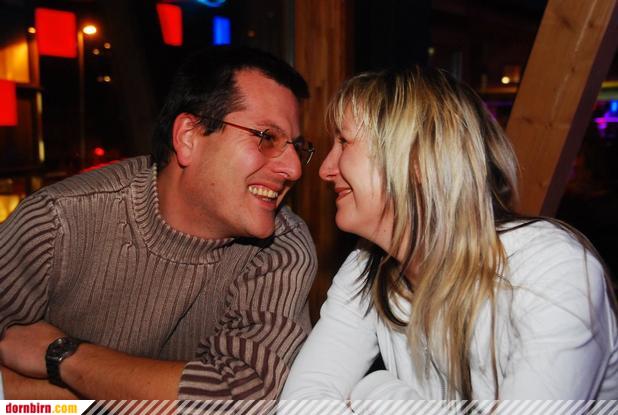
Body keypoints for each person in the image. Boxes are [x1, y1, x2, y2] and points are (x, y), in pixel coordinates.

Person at [280, 67, 618, 405]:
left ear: (415, 158)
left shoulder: (552, 268)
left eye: (344, 142)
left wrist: (377, 393)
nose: (325, 169)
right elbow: (301, 403)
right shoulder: (367, 264)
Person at [0, 45, 317, 400]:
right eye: (266, 138)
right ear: (188, 137)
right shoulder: (59, 221)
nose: (294, 168)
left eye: (296, 146)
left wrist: (64, 357)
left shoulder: (281, 248)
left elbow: (244, 399)